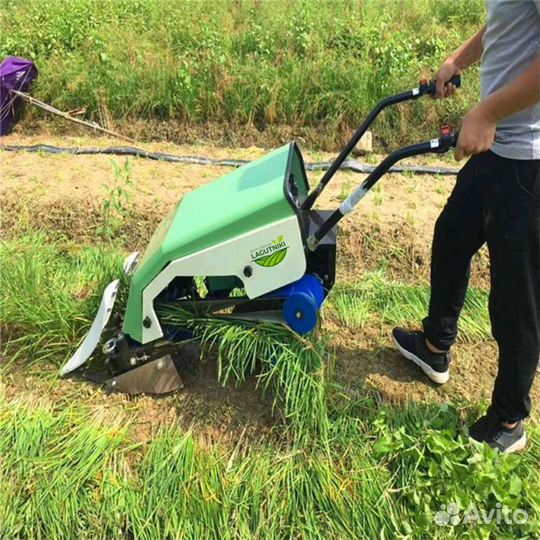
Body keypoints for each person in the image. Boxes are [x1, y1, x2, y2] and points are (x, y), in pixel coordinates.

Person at [393, 0, 540, 453]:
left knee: (516, 298)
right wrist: (456, 60)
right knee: (452, 236)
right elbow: (505, 20)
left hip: (526, 162)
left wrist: (487, 113)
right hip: (496, 150)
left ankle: (509, 418)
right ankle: (436, 347)